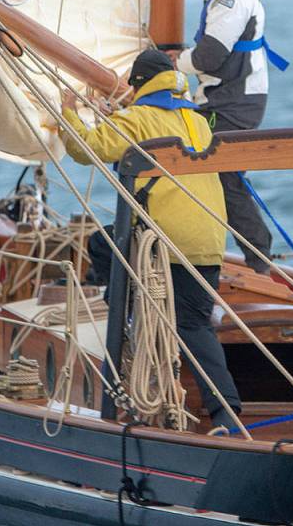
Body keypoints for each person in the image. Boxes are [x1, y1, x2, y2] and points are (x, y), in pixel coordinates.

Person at [60, 48, 242, 431]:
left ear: (139, 85)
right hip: (208, 241)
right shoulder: (197, 120)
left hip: (165, 240)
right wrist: (117, 117)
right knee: (194, 325)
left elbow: (87, 148)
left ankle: (125, 328)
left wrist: (68, 111)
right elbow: (140, 132)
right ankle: (226, 413)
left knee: (102, 248)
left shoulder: (138, 118)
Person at [170, 0, 288, 275]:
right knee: (211, 174)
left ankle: (258, 260)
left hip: (235, 100)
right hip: (224, 96)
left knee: (224, 177)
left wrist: (173, 63)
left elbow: (209, 57)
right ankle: (218, 254)